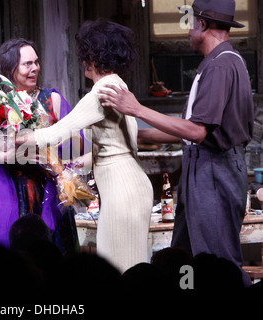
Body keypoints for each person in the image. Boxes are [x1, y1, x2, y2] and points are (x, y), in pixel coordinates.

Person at [99, 0, 253, 286]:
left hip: (215, 171)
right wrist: (134, 133)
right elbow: (187, 132)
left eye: (191, 21)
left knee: (217, 262)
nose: (187, 28)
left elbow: (196, 132)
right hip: (201, 169)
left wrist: (137, 109)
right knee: (184, 256)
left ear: (203, 24)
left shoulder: (222, 65)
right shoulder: (213, 64)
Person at [16, 20, 153, 273]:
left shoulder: (101, 92)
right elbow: (116, 146)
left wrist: (13, 137)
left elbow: (55, 133)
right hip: (131, 184)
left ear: (92, 56)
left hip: (122, 189)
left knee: (121, 268)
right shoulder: (119, 85)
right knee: (130, 265)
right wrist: (78, 163)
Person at [0, 38, 80, 256]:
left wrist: (50, 152)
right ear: (10, 69)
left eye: (36, 62)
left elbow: (76, 144)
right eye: (27, 64)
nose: (35, 68)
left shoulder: (52, 100)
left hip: (47, 190)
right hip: (7, 190)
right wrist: (8, 155)